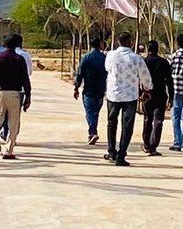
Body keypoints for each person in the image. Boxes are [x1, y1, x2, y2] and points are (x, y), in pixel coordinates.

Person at [103, 31, 151, 166]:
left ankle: (111, 151)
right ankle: (121, 155)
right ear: (131, 42)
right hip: (130, 96)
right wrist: (147, 89)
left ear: (118, 42)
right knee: (127, 126)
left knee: (111, 123)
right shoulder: (136, 58)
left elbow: (107, 68)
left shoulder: (111, 55)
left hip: (114, 94)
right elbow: (145, 76)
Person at [0, 34, 31, 161]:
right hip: (14, 94)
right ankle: (8, 150)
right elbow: (25, 79)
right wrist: (28, 96)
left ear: (4, 45)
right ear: (17, 45)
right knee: (13, 123)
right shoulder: (19, 59)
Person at [73, 32, 107, 145]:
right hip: (101, 90)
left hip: (89, 90)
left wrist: (76, 87)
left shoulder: (86, 58)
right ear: (100, 45)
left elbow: (79, 74)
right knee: (95, 112)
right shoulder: (104, 58)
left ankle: (92, 132)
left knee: (89, 112)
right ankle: (92, 132)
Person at [142, 38, 173, 156]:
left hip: (147, 95)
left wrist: (139, 93)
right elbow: (169, 81)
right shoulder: (164, 62)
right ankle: (153, 146)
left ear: (147, 49)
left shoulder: (144, 62)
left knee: (147, 119)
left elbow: (138, 79)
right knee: (158, 121)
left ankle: (146, 144)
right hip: (160, 95)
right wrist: (171, 96)